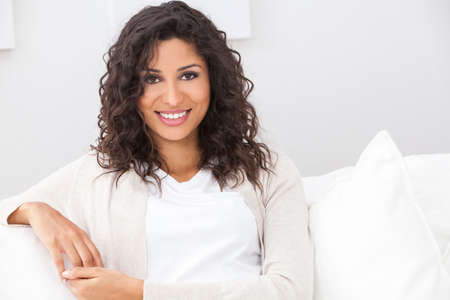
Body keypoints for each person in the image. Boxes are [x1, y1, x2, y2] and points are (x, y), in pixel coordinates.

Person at [0, 1, 313, 299]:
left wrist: (138, 293)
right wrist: (35, 210)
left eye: (188, 75)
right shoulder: (100, 173)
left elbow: (290, 291)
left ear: (214, 81)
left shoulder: (268, 171)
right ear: (129, 90)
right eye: (152, 79)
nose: (173, 98)